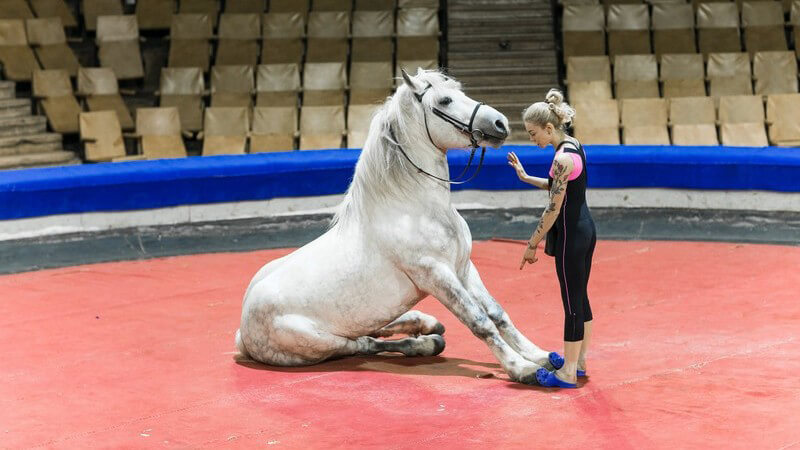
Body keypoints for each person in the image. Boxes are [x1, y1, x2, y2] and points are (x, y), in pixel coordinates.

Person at [507, 89, 596, 388]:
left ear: (549, 128)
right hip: (585, 229)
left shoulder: (561, 160)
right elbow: (559, 186)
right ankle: (579, 361)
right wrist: (525, 176)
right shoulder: (574, 147)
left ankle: (567, 373)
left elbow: (553, 207)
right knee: (581, 298)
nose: (533, 140)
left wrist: (532, 244)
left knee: (571, 303)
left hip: (572, 236)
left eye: (534, 134)